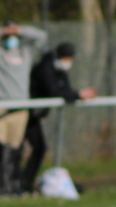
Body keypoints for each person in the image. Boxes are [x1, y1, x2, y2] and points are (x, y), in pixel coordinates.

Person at [0, 20, 49, 196]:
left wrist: (20, 30)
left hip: (20, 108)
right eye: (8, 34)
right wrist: (1, 31)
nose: (11, 37)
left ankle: (12, 187)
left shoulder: (26, 53)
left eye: (13, 34)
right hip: (0, 107)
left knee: (14, 149)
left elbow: (42, 37)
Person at [26, 42, 97, 183]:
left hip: (37, 115)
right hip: (27, 114)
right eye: (66, 59)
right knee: (32, 148)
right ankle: (21, 183)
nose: (68, 62)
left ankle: (26, 182)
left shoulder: (60, 70)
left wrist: (77, 94)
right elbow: (54, 91)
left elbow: (66, 89)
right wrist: (78, 94)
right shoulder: (44, 68)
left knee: (39, 148)